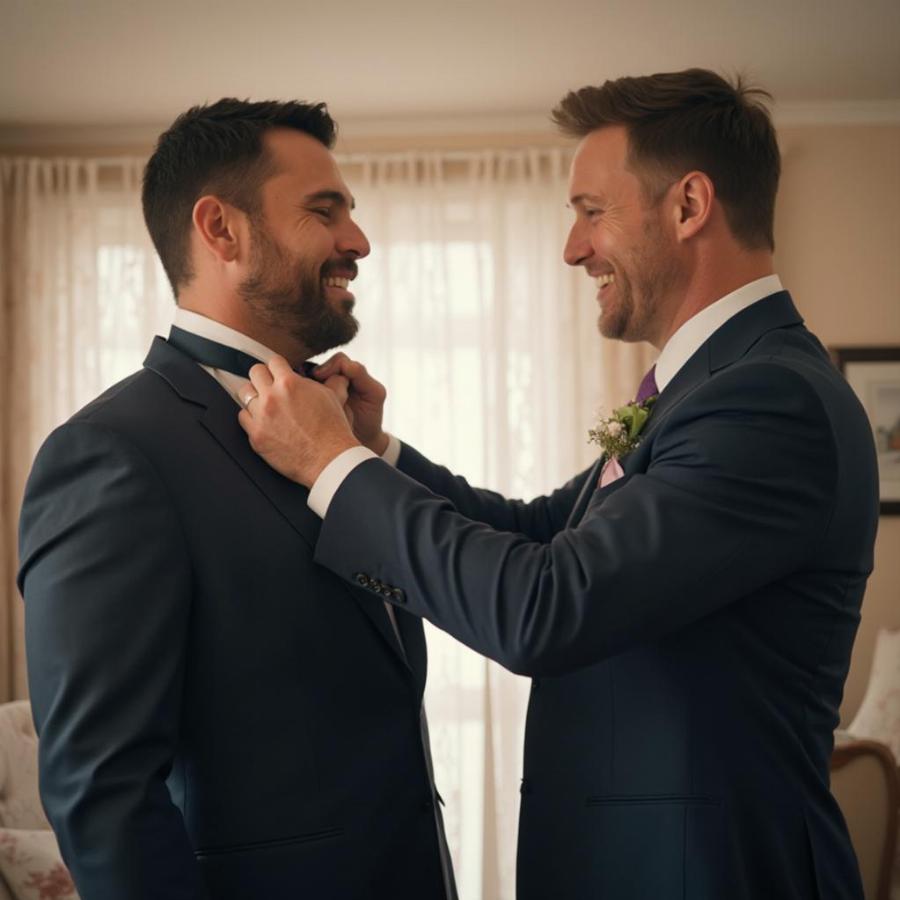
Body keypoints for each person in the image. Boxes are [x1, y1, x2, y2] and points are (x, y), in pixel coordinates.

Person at [237, 70, 880, 899]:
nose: (572, 249)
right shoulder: (713, 387)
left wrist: (334, 469)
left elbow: (547, 607)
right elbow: (545, 531)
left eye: (591, 212)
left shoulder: (769, 400)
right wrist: (378, 450)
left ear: (689, 207)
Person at [18, 98, 456, 900]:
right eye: (325, 212)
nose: (359, 242)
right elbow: (101, 793)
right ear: (221, 229)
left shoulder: (333, 432)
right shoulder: (112, 454)